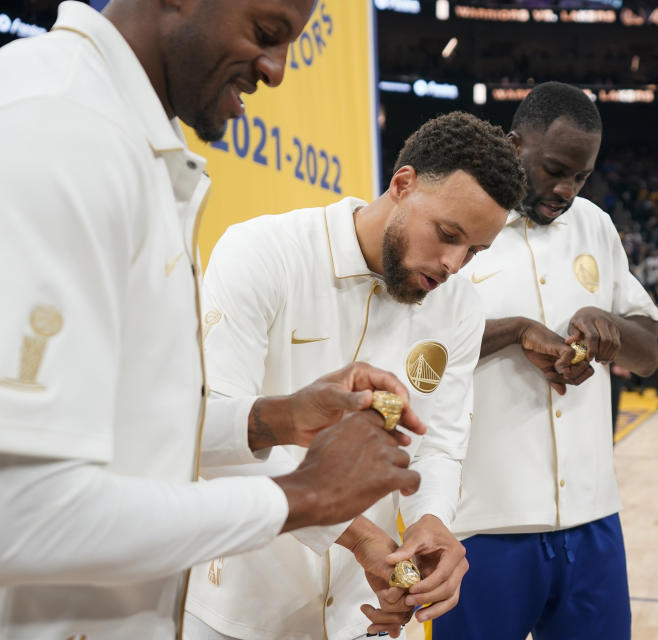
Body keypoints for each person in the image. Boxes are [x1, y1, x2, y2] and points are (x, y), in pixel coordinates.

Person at [0, 2, 426, 638]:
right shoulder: (59, 124)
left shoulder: (126, 139)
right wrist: (303, 496)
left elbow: (133, 429)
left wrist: (275, 417)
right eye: (265, 32)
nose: (278, 70)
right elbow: (20, 514)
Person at [182, 112, 525, 640]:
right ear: (402, 184)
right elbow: (212, 436)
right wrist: (359, 536)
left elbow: (436, 446)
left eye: (474, 251)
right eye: (448, 234)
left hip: (366, 613)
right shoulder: (264, 252)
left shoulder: (458, 305)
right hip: (235, 607)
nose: (455, 263)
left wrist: (432, 521)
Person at [432, 82, 658, 640]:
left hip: (592, 519)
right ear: (514, 146)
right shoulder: (453, 224)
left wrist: (609, 331)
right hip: (481, 524)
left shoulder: (595, 225)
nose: (566, 190)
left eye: (581, 177)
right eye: (555, 169)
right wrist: (513, 333)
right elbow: (417, 351)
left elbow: (649, 350)